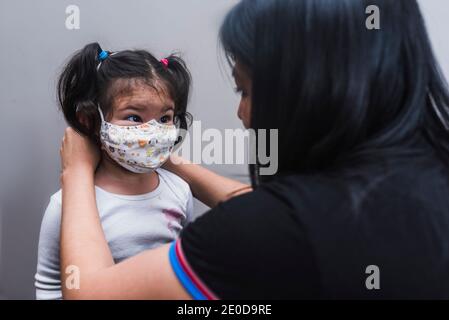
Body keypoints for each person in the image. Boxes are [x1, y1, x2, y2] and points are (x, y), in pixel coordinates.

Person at [58, 0, 449, 299]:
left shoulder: (272, 230)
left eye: (245, 89)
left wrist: (75, 170)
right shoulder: (428, 177)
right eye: (134, 119)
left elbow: (90, 291)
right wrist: (167, 159)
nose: (242, 113)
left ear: (310, 88)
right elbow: (259, 208)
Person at [35, 42, 198, 299]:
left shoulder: (179, 190)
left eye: (165, 118)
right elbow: (50, 285)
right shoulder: (68, 204)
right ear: (89, 120)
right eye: (134, 117)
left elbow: (186, 266)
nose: (152, 131)